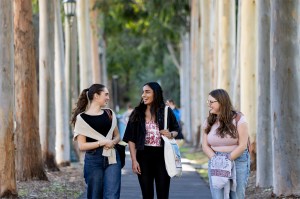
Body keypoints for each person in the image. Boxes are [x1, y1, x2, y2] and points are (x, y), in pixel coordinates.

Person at [123, 82, 180, 199]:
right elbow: (131, 139)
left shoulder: (166, 111)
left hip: (163, 157)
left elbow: (176, 129)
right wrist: (134, 160)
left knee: (163, 194)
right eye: (143, 92)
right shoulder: (137, 113)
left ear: (156, 93)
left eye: (147, 92)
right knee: (147, 194)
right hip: (143, 157)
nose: (143, 95)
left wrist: (170, 134)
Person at [70, 84, 121, 199]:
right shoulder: (82, 118)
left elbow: (117, 136)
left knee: (112, 196)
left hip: (112, 158)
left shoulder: (109, 113)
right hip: (94, 160)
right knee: (95, 195)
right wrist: (102, 142)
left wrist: (113, 142)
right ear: (96, 96)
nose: (108, 97)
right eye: (106, 94)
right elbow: (82, 146)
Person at [202, 89, 250, 199]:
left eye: (211, 102)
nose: (208, 105)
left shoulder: (239, 119)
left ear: (221, 102)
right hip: (215, 161)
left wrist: (227, 159)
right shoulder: (208, 121)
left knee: (236, 196)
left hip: (237, 160)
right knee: (217, 196)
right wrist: (216, 160)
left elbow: (243, 145)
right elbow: (205, 145)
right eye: (207, 102)